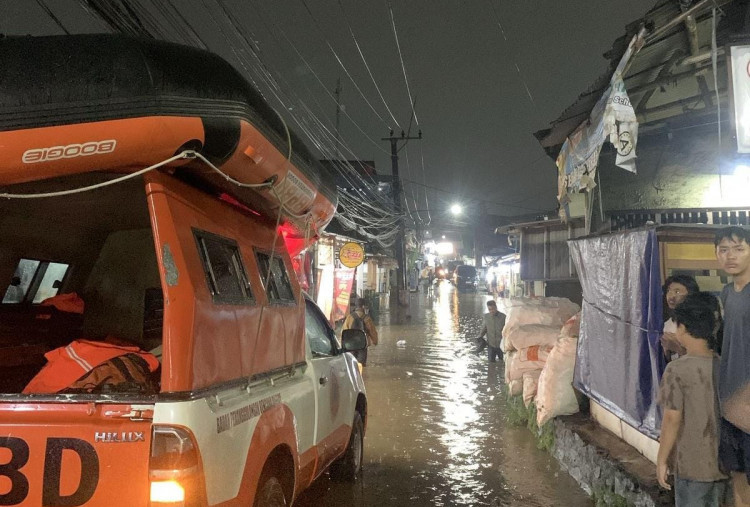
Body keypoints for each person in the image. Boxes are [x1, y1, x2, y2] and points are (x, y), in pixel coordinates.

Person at [656, 292, 728, 506]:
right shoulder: (724, 365)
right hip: (724, 464)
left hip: (691, 465)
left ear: (682, 328)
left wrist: (662, 459)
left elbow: (671, 419)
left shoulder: (676, 370)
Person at [714, 226, 750, 507]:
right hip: (729, 402)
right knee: (736, 471)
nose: (731, 256)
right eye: (724, 250)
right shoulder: (726, 294)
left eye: (739, 249)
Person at [661, 275, 700, 360]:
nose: (671, 296)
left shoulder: (699, 324)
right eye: (668, 291)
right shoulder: (666, 324)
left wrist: (678, 349)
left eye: (677, 292)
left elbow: (703, 359)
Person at [342, 298, 378, 366]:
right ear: (363, 306)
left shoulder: (349, 317)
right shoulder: (367, 318)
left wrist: (343, 345)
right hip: (363, 345)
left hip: (351, 345)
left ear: (356, 306)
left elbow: (343, 331)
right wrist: (375, 341)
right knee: (362, 365)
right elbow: (372, 332)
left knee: (352, 365)